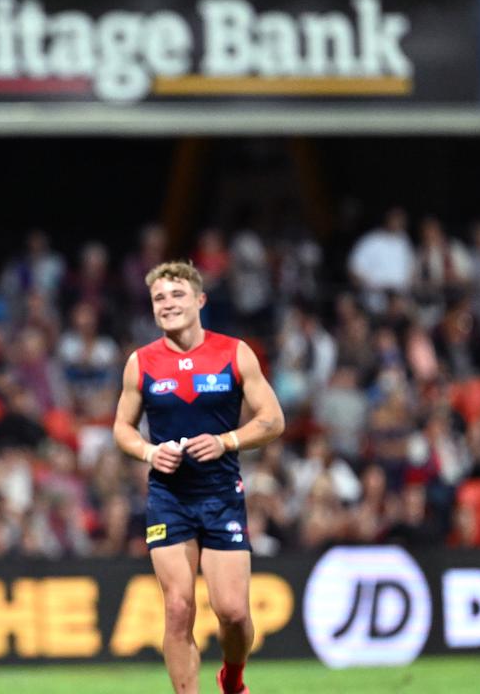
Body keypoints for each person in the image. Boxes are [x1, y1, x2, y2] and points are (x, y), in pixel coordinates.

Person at [113, 261, 285, 694]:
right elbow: (121, 429)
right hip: (168, 497)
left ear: (200, 301)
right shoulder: (141, 363)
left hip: (222, 494)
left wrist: (226, 441)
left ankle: (233, 677)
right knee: (177, 607)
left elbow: (273, 420)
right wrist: (151, 452)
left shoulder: (234, 352)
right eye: (159, 299)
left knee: (232, 613)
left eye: (176, 296)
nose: (168, 305)